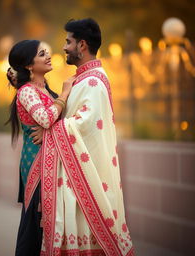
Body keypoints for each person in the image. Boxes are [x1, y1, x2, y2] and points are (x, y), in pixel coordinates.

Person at [28, 18, 135, 255]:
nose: (64, 47)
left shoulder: (94, 81)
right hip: (77, 180)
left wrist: (49, 131)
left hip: (87, 182)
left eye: (68, 42)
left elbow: (83, 125)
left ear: (82, 45)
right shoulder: (82, 79)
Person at [6, 39, 74, 256]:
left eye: (46, 52)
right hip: (36, 162)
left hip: (52, 161)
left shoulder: (45, 91)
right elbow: (45, 119)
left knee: (50, 224)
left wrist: (51, 131)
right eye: (41, 53)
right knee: (34, 224)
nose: (48, 55)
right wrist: (64, 95)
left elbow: (55, 124)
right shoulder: (26, 91)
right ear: (28, 65)